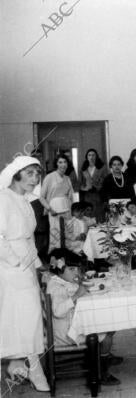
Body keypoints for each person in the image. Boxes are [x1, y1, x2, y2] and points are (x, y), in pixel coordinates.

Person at [0, 156, 49, 391]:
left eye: (37, 174)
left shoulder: (26, 201)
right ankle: (34, 369)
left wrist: (39, 267)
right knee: (27, 318)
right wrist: (16, 264)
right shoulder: (3, 198)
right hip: (10, 267)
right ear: (16, 173)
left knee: (25, 318)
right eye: (29, 173)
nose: (35, 179)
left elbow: (29, 239)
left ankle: (17, 365)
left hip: (27, 264)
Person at [46, 248, 121, 385]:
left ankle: (103, 355)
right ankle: (102, 371)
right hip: (68, 335)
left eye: (77, 269)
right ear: (59, 269)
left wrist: (79, 286)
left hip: (72, 325)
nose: (76, 272)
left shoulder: (61, 281)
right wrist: (76, 295)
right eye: (72, 269)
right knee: (107, 333)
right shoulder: (55, 287)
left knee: (111, 324)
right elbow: (57, 311)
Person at [40, 154, 75, 252]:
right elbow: (41, 197)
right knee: (56, 235)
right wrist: (50, 209)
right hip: (54, 210)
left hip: (67, 209)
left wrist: (73, 209)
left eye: (65, 162)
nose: (63, 164)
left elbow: (71, 196)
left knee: (68, 234)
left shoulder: (67, 178)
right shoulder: (49, 177)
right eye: (60, 162)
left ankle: (66, 258)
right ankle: (55, 259)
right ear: (56, 164)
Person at [79, 149, 108, 222]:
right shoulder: (83, 169)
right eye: (89, 155)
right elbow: (81, 183)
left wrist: (98, 186)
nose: (91, 157)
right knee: (88, 215)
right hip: (87, 196)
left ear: (96, 156)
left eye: (93, 155)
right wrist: (84, 188)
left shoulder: (102, 167)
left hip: (99, 195)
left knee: (99, 215)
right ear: (87, 157)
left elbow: (106, 181)